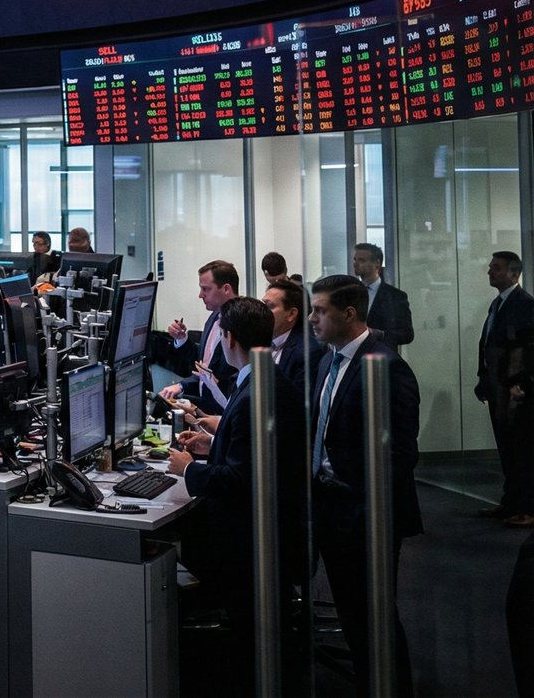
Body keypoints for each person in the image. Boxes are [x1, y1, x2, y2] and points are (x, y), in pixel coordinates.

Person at [166, 296, 306, 667]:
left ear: (228, 339)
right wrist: (213, 441)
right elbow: (258, 451)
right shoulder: (266, 378)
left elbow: (239, 479)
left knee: (167, 536)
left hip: (248, 539)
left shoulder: (254, 393)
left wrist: (188, 468)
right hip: (272, 528)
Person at [308, 275, 422, 697]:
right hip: (330, 507)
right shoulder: (328, 360)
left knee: (374, 617)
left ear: (349, 313)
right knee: (355, 616)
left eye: (320, 311)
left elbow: (400, 455)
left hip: (365, 513)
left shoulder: (387, 366)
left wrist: (358, 502)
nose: (313, 319)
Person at [475, 250, 534, 527]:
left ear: (513, 273)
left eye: (496, 268)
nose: (490, 271)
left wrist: (522, 384)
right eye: (491, 267)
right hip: (499, 388)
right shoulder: (498, 304)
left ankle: (527, 507)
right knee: (507, 448)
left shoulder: (524, 304)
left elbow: (527, 350)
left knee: (522, 449)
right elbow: (488, 344)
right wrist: (483, 378)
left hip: (515, 391)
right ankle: (511, 502)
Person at [157, 259, 240, 415]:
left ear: (226, 289)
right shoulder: (214, 317)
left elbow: (220, 378)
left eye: (206, 289)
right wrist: (182, 339)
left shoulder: (241, 324)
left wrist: (183, 387)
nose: (200, 295)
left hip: (225, 413)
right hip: (205, 408)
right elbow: (203, 366)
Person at [263, 277, 323, 394]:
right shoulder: (260, 341)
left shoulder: (307, 352)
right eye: (262, 304)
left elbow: (298, 405)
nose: (262, 311)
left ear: (291, 314)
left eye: (269, 307)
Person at [352, 242, 414, 347]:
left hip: (381, 357)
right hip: (353, 357)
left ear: (377, 263)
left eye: (361, 260)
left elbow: (407, 334)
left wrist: (380, 334)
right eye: (355, 259)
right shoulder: (350, 293)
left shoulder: (395, 297)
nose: (355, 263)